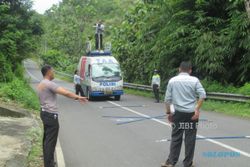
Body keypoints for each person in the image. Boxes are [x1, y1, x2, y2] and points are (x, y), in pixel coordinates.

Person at [37, 65, 88, 167]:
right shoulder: (49, 84)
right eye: (53, 70)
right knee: (50, 142)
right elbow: (66, 93)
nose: (54, 72)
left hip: (44, 113)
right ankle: (49, 164)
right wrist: (78, 97)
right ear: (48, 72)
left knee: (47, 139)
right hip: (51, 115)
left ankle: (48, 162)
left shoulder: (41, 84)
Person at [161, 61, 206, 167]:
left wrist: (169, 113)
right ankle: (188, 163)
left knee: (176, 137)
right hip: (191, 114)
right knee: (190, 138)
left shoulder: (172, 81)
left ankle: (171, 162)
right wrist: (197, 109)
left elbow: (167, 99)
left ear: (179, 69)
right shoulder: (194, 80)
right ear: (190, 70)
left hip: (177, 113)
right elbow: (202, 95)